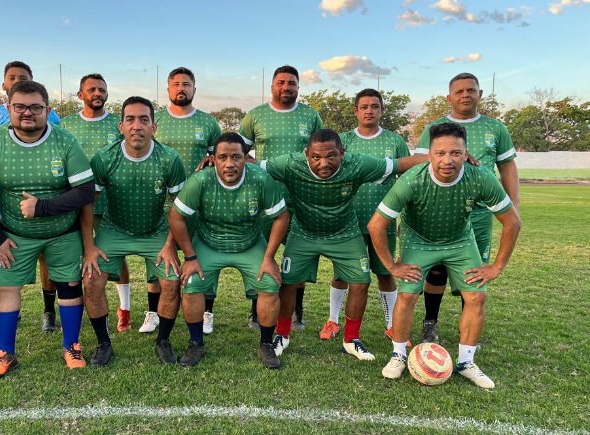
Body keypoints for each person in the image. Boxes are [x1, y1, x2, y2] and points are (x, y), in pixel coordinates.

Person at [371, 122, 521, 389]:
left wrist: (496, 267)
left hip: (460, 241)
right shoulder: (412, 180)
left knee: (477, 296)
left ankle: (466, 362)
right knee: (407, 295)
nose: (447, 160)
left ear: (466, 154)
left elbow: (512, 222)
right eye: (440, 153)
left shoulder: (481, 177)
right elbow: (376, 225)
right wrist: (392, 266)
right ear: (429, 154)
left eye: (455, 153)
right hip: (418, 239)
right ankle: (398, 355)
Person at [262, 129, 425, 360]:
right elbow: (251, 165)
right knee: (288, 283)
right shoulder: (290, 164)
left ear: (342, 153)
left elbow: (399, 165)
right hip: (304, 234)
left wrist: (441, 156)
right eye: (316, 157)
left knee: (361, 282)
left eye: (331, 155)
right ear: (306, 154)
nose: (324, 163)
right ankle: (282, 335)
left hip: (345, 234)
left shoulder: (357, 164)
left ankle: (351, 339)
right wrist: (213, 159)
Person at [0, 80, 95, 378]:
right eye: (20, 107)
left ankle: (72, 346)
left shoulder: (65, 141)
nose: (28, 113)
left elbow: (86, 191)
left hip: (63, 233)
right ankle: (4, 353)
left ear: (47, 110)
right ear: (8, 108)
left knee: (69, 286)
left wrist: (42, 207)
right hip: (14, 235)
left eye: (36, 107)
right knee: (5, 288)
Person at [415, 73, 519, 344]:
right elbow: (418, 165)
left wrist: (513, 205)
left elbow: (507, 166)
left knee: (474, 272)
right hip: (438, 212)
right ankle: (430, 323)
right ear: (449, 97)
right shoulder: (434, 127)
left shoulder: (496, 128)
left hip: (480, 213)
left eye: (471, 90)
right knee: (437, 269)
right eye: (459, 91)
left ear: (480, 94)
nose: (465, 95)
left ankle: (468, 330)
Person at [170, 132, 289, 368]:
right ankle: (196, 343)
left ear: (246, 158)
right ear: (213, 159)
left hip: (249, 243)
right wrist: (190, 257)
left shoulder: (261, 179)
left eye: (236, 157)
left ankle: (266, 344)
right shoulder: (200, 180)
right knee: (191, 284)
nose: (229, 164)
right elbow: (176, 217)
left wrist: (269, 257)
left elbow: (282, 216)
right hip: (209, 242)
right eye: (223, 157)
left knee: (269, 283)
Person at [82, 96, 186, 367]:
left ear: (154, 127)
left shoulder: (169, 159)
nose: (136, 125)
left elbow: (180, 208)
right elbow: (87, 204)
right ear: (121, 126)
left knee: (172, 282)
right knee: (91, 280)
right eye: (130, 119)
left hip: (156, 231)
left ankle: (163, 341)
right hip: (114, 229)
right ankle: (104, 343)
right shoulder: (104, 158)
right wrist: (89, 246)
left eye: (143, 119)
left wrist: (170, 245)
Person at [239, 65, 323, 331]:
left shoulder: (310, 115)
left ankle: (296, 311)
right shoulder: (255, 115)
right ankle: (256, 311)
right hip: (265, 197)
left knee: (298, 255)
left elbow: (321, 151)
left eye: (292, 83)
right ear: (272, 86)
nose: (286, 87)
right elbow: (239, 150)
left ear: (298, 86)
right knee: (261, 253)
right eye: (281, 82)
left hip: (302, 197)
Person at [324, 89, 412, 343]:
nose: (369, 111)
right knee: (342, 274)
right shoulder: (343, 140)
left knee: (385, 273)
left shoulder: (395, 141)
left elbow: (407, 181)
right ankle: (332, 320)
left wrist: (405, 218)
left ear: (382, 110)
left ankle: (392, 325)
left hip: (384, 221)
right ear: (356, 111)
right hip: (348, 221)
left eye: (375, 106)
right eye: (364, 107)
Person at [0, 61, 63, 333]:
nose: (17, 81)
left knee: (45, 257)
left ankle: (48, 311)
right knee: (7, 254)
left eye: (23, 78)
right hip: (1, 200)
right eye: (12, 78)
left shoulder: (51, 117)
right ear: (4, 85)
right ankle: (11, 313)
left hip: (41, 200)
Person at [61, 73, 132, 333]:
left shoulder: (117, 123)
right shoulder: (67, 124)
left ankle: (124, 309)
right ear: (80, 95)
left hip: (110, 202)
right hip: (74, 202)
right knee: (73, 257)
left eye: (102, 89)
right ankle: (74, 311)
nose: (97, 94)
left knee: (115, 256)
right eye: (91, 90)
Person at [154, 66, 221, 334]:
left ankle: (207, 312)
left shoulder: (208, 122)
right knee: (160, 255)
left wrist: (211, 158)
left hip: (200, 202)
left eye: (186, 84)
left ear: (194, 89)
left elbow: (219, 157)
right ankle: (153, 311)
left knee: (203, 256)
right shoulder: (156, 119)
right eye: (176, 84)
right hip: (161, 199)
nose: (181, 88)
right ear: (168, 89)